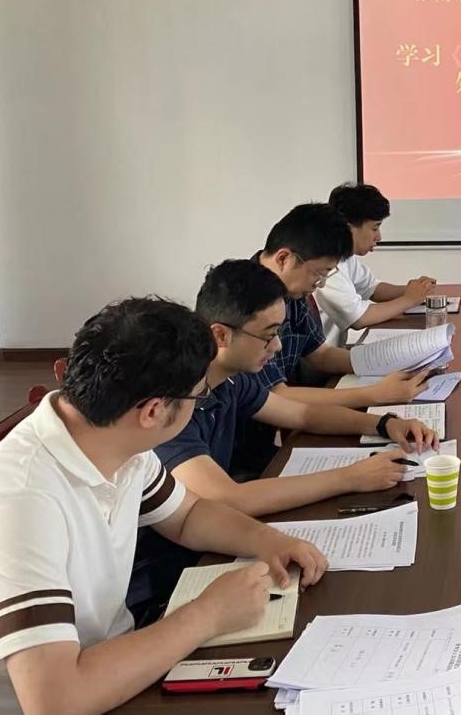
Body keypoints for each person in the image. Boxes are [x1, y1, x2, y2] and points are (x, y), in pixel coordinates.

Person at [0, 298, 327, 715]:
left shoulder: (114, 439)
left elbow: (187, 516)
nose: (199, 405)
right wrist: (208, 615)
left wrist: (268, 540)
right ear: (152, 411)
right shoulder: (20, 498)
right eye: (198, 398)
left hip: (119, 661)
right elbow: (54, 701)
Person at [161, 258, 439, 517]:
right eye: (268, 335)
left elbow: (304, 415)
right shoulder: (172, 403)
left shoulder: (232, 379)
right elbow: (229, 498)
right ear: (221, 335)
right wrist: (350, 477)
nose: (277, 346)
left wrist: (384, 424)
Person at [247, 203, 432, 411]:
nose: (320, 285)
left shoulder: (291, 292)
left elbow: (320, 355)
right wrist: (375, 394)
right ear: (284, 259)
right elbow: (275, 395)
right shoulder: (248, 302)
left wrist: (394, 361)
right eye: (318, 274)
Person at [316, 182, 437, 347]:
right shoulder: (325, 264)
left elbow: (373, 288)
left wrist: (416, 289)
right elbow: (359, 318)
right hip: (324, 359)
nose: (379, 237)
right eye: (374, 228)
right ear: (348, 228)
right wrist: (409, 299)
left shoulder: (345, 256)